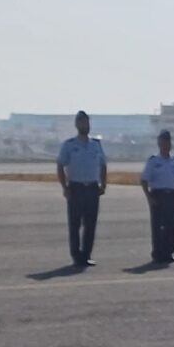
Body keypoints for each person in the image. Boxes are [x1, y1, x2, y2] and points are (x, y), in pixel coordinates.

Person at [55, 110, 107, 267]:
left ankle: (86, 255)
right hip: (76, 188)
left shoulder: (96, 145)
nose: (86, 125)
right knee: (75, 224)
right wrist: (65, 187)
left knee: (90, 224)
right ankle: (76, 256)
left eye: (87, 122)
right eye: (83, 122)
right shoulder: (69, 145)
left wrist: (103, 184)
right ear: (77, 125)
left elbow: (103, 165)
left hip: (92, 188)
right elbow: (60, 166)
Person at [141, 130, 174, 263]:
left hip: (172, 195)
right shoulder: (154, 161)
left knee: (171, 225)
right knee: (158, 225)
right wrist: (149, 197)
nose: (166, 144)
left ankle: (169, 253)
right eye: (163, 142)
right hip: (158, 195)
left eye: (168, 141)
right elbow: (144, 180)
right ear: (159, 143)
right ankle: (158, 253)